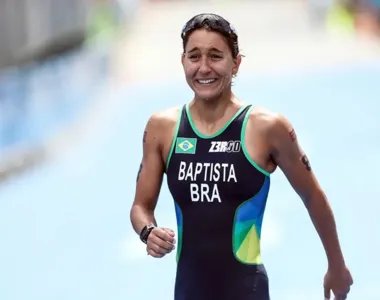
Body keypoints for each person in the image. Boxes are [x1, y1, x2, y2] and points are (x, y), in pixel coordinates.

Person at [130, 13, 353, 300]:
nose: (204, 68)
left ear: (236, 63)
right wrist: (148, 232)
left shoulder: (267, 127)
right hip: (188, 290)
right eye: (194, 56)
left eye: (215, 56)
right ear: (183, 61)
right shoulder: (162, 128)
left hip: (246, 289)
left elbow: (313, 195)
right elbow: (140, 206)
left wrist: (336, 265)